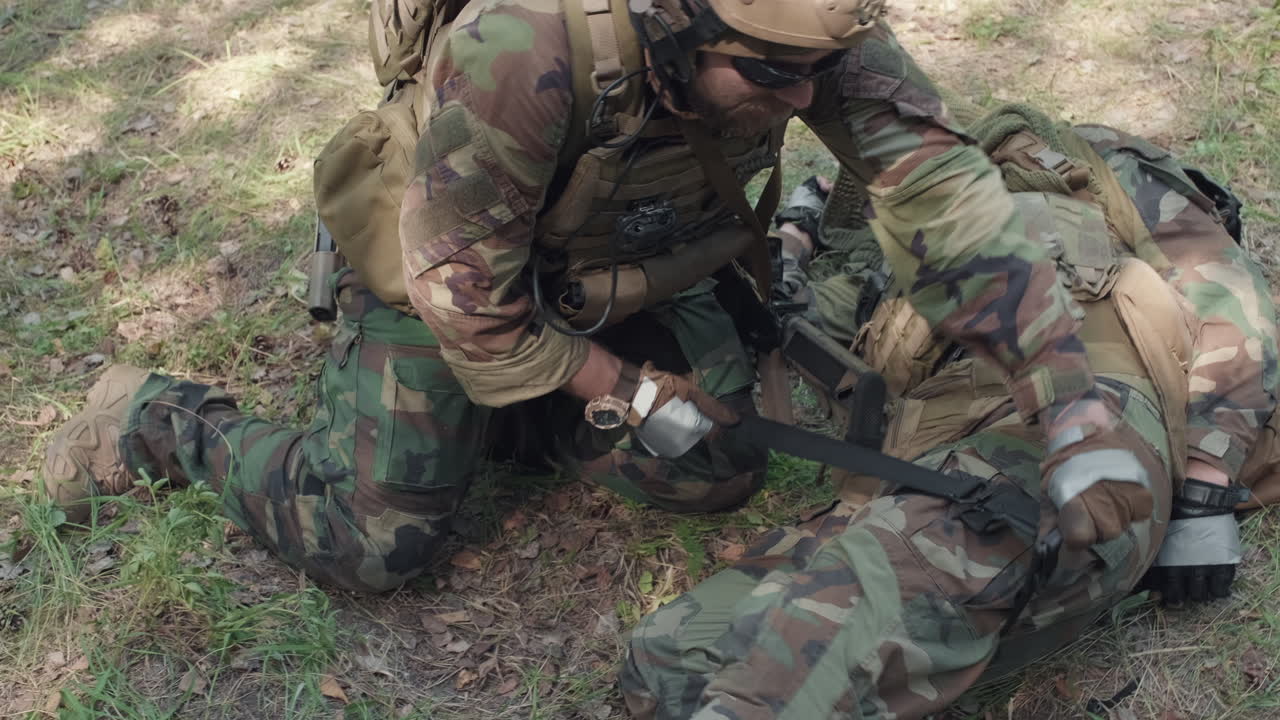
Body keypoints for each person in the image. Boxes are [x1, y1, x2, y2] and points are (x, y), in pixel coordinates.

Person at [44, 0, 1147, 595]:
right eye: (769, 75)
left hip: (617, 262)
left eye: (814, 72)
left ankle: (508, 417)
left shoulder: (800, 27)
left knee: (713, 466)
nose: (803, 99)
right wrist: (626, 387)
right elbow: (465, 298)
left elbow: (949, 200)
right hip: (456, 271)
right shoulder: (520, 48)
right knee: (372, 543)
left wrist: (1068, 401)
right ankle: (153, 420)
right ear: (675, 26)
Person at [619, 107, 1280, 719]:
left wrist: (1205, 484)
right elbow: (798, 319)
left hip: (1074, 428)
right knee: (669, 656)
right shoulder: (891, 262)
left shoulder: (1074, 165)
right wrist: (794, 236)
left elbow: (1230, 292)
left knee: (794, 662)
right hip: (924, 470)